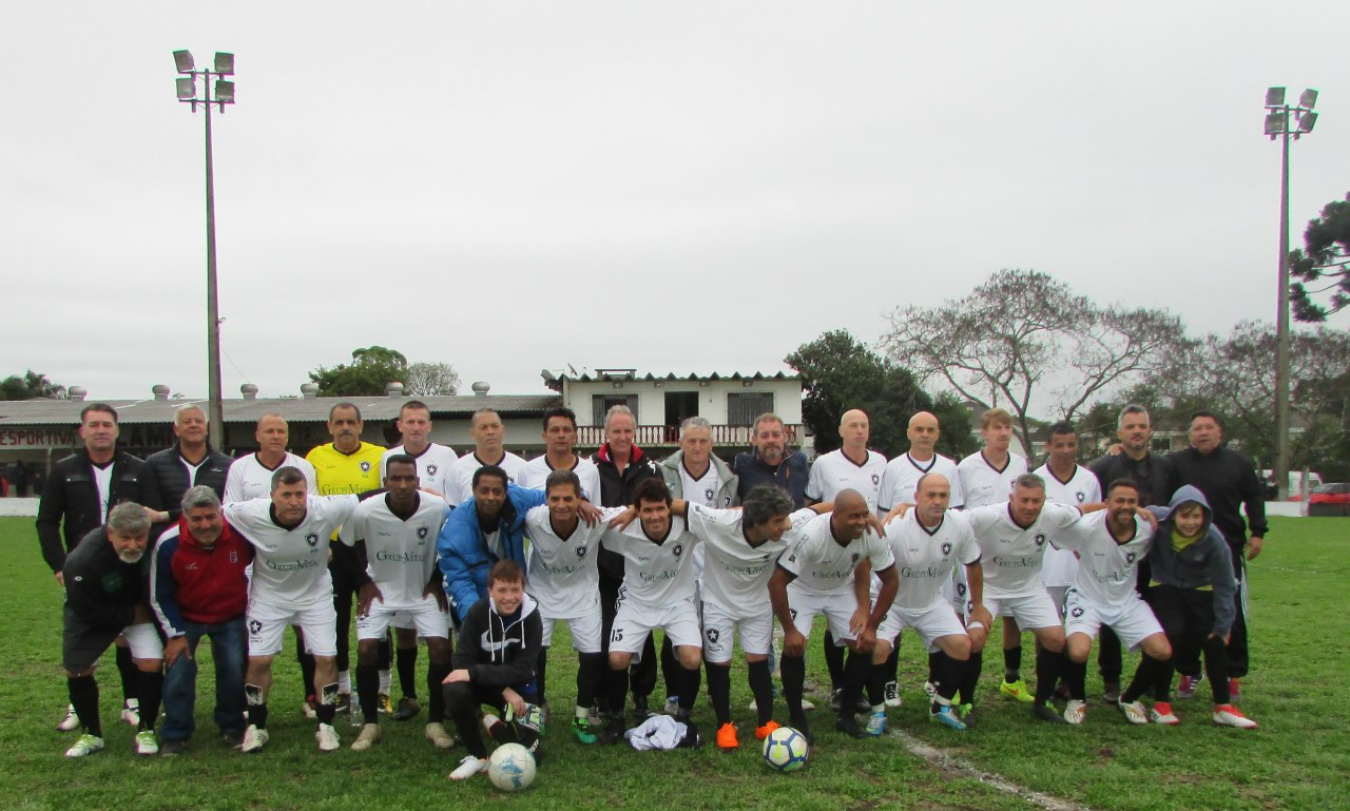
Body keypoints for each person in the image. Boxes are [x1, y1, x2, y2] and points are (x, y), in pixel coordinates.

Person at [38, 402, 162, 733]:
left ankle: (131, 700)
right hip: (85, 568)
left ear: (117, 430)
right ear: (83, 431)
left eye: (107, 424)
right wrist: (59, 564)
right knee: (83, 637)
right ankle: (77, 707)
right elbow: (47, 521)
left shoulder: (138, 468)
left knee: (128, 635)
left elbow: (154, 516)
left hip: (129, 564)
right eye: (94, 425)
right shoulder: (64, 470)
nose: (101, 430)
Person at [223, 466, 362, 753]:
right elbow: (211, 512)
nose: (294, 501)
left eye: (300, 494)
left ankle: (326, 725)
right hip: (269, 597)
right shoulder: (249, 512)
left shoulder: (323, 509)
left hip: (315, 596)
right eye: (286, 495)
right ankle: (257, 726)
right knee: (259, 661)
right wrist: (161, 517)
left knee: (326, 658)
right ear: (272, 495)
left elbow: (365, 496)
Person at [680, 486, 824, 749]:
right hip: (717, 601)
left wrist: (872, 516)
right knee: (718, 663)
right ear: (756, 520)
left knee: (758, 661)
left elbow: (823, 507)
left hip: (757, 604)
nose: (785, 525)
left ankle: (765, 723)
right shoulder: (721, 522)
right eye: (778, 521)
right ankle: (724, 725)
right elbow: (677, 505)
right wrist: (632, 512)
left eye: (785, 518)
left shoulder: (789, 525)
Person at [338, 455, 456, 751]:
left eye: (409, 479)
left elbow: (453, 541)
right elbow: (344, 543)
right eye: (396, 479)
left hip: (423, 590)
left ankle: (435, 722)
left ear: (418, 481)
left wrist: (437, 577)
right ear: (385, 482)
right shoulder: (366, 510)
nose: (403, 485)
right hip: (381, 590)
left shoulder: (437, 508)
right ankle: (370, 725)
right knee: (366, 649)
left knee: (441, 647)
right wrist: (363, 582)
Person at [768, 490, 898, 742]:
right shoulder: (811, 535)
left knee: (863, 644)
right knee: (795, 647)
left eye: (864, 514)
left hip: (839, 587)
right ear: (835, 515)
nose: (861, 521)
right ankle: (797, 717)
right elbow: (777, 583)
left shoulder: (871, 533)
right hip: (802, 588)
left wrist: (870, 623)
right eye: (853, 516)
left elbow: (891, 581)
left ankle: (847, 715)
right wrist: (790, 630)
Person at [870, 473, 988, 733]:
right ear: (916, 498)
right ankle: (877, 712)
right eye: (931, 495)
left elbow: (973, 564)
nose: (937, 501)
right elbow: (868, 562)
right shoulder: (897, 526)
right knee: (877, 648)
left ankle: (942, 705)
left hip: (931, 601)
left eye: (943, 495)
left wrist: (978, 606)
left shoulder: (959, 524)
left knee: (962, 646)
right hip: (893, 603)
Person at [1131, 485, 1256, 728]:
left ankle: (1223, 706)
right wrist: (1141, 511)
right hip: (1165, 586)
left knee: (1214, 641)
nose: (1190, 522)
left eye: (1196, 516)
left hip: (1201, 590)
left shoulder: (1213, 539)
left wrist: (1223, 625)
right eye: (1184, 516)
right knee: (1172, 638)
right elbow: (1131, 510)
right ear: (1174, 514)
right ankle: (1161, 703)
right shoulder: (1159, 519)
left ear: (1205, 516)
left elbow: (1225, 584)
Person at [962, 473, 1082, 724]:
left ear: (1044, 500)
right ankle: (966, 702)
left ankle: (1043, 701)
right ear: (1011, 498)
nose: (1029, 507)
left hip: (1029, 589)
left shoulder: (1053, 514)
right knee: (974, 639)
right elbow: (949, 519)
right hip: (989, 588)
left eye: (1035, 501)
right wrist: (905, 508)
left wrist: (1129, 508)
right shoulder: (987, 516)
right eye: (1023, 500)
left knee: (1056, 639)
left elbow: (1082, 511)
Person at [1165, 411, 1267, 703]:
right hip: (1187, 553)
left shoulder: (1238, 463)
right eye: (1197, 428)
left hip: (1229, 551)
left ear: (1219, 432)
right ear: (1190, 435)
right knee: (1186, 616)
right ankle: (1188, 671)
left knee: (1231, 616)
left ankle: (1232, 676)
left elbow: (1254, 497)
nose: (1203, 433)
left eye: (1208, 427)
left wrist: (1258, 531)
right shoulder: (1176, 464)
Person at [598, 478, 707, 744]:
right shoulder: (622, 527)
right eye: (646, 510)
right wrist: (630, 511)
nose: (655, 516)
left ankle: (683, 718)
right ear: (637, 510)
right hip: (636, 601)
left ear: (670, 507)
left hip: (678, 601)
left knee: (692, 658)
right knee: (617, 660)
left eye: (660, 508)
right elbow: (588, 515)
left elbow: (724, 516)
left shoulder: (688, 525)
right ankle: (616, 719)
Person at [1054, 480, 1170, 725]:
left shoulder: (1147, 529)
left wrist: (1141, 511)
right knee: (1078, 651)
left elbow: (1174, 515)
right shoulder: (1086, 528)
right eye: (1119, 501)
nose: (1126, 507)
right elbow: (1057, 530)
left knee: (1162, 651)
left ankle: (1128, 699)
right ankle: (1076, 698)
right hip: (1086, 598)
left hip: (1126, 601)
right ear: (1107, 503)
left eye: (1131, 502)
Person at [306, 403, 396, 718]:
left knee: (377, 618)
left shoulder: (379, 454)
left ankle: (383, 691)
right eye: (339, 422)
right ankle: (343, 690)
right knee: (337, 620)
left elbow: (387, 494)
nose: (345, 427)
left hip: (368, 548)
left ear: (360, 425)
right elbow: (313, 504)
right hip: (332, 551)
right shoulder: (316, 457)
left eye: (351, 422)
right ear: (329, 426)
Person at [150, 486, 253, 755]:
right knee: (179, 669)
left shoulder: (241, 535)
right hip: (186, 618)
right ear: (185, 517)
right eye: (197, 519)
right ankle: (176, 732)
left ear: (220, 513)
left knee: (232, 667)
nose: (205, 524)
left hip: (230, 615)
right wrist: (175, 634)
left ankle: (232, 726)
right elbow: (158, 594)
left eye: (211, 517)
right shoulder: (168, 543)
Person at [522, 469, 622, 743]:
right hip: (541, 593)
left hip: (583, 594)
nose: (562, 505)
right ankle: (537, 708)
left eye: (569, 498)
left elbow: (633, 511)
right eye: (555, 499)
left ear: (580, 498)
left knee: (591, 657)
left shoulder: (594, 518)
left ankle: (581, 717)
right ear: (546, 499)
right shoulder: (533, 519)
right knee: (534, 655)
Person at [60, 502, 166, 757]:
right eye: (125, 538)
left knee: (151, 662)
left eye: (139, 537)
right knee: (78, 669)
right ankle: (91, 734)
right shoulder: (81, 561)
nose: (133, 545)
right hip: (93, 612)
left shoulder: (157, 543)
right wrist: (130, 615)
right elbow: (85, 608)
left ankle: (146, 729)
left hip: (137, 608)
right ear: (110, 533)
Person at [876, 410, 965, 708]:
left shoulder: (951, 468)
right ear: (909, 432)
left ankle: (935, 680)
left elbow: (958, 515)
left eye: (930, 429)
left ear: (938, 433)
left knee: (941, 624)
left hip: (937, 560)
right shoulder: (894, 467)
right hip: (903, 555)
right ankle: (890, 683)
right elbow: (885, 513)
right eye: (919, 429)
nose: (925, 434)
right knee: (892, 628)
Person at [805, 409, 888, 713]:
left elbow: (885, 506)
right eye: (853, 425)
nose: (859, 430)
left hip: (867, 547)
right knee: (834, 621)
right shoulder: (825, 463)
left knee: (860, 617)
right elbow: (811, 503)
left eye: (864, 425)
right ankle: (839, 683)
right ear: (841, 430)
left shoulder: (881, 462)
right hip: (831, 548)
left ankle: (866, 686)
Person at [655, 415, 738, 713]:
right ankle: (675, 693)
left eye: (703, 441)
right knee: (676, 629)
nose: (697, 446)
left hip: (714, 563)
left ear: (711, 443)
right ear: (681, 443)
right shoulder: (664, 471)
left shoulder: (727, 476)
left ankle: (714, 692)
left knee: (711, 627)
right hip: (677, 562)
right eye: (691, 441)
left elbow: (732, 518)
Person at [1089, 404, 1171, 701]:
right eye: (1130, 426)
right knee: (1110, 615)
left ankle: (1149, 678)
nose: (1137, 431)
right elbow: (1092, 508)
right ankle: (1111, 679)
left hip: (1153, 555)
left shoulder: (1165, 466)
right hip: (1113, 556)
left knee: (1152, 615)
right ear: (1119, 432)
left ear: (1150, 431)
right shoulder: (1103, 467)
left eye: (1142, 426)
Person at [443, 560, 544, 781]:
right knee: (454, 688)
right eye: (502, 590)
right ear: (490, 591)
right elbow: (461, 660)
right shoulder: (478, 612)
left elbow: (525, 668)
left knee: (533, 754)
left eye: (515, 589)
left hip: (520, 686)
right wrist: (502, 689)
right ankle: (478, 755)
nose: (509, 597)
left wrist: (503, 685)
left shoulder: (532, 616)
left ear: (523, 588)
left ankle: (500, 729)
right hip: (489, 685)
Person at [957, 408, 1031, 704]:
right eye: (997, 428)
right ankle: (962, 689)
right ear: (984, 432)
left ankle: (1012, 679)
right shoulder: (967, 467)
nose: (1003, 433)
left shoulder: (1021, 465)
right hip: (977, 557)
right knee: (974, 621)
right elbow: (960, 510)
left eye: (1007, 428)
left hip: (1013, 554)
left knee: (1012, 619)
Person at [592, 405, 662, 721]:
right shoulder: (591, 467)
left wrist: (634, 509)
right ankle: (606, 696)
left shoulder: (650, 468)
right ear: (606, 433)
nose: (622, 436)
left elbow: (659, 505)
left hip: (640, 564)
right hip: (604, 565)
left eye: (627, 431)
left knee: (643, 630)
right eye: (616, 431)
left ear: (635, 432)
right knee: (608, 630)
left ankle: (641, 693)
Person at [437, 465, 555, 616]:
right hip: (478, 595)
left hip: (514, 593)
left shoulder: (516, 498)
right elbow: (460, 584)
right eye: (484, 491)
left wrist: (582, 500)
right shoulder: (454, 532)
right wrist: (476, 618)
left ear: (506, 492)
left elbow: (552, 495)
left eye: (497, 491)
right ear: (474, 490)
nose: (491, 497)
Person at [145, 405, 233, 525]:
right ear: (176, 429)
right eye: (187, 422)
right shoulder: (155, 464)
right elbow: (152, 513)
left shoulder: (228, 466)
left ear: (207, 428)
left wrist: (166, 515)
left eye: (199, 421)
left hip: (214, 538)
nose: (193, 425)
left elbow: (229, 510)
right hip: (171, 539)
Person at [222, 413, 317, 503]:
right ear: (258, 436)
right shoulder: (239, 467)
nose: (276, 436)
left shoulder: (303, 467)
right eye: (270, 431)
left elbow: (311, 506)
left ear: (287, 437)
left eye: (281, 432)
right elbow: (232, 509)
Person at [517, 406, 602, 502]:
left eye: (566, 430)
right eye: (555, 430)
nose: (561, 435)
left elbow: (595, 513)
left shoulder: (590, 470)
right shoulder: (527, 471)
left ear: (575, 436)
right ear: (544, 436)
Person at [445, 409, 527, 507]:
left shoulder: (522, 467)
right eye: (483, 427)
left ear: (503, 430)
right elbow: (453, 512)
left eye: (495, 426)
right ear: (472, 434)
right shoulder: (456, 470)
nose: (490, 432)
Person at [380, 400, 459, 498]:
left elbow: (455, 498)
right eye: (410, 422)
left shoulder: (447, 455)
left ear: (429, 426)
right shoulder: (388, 456)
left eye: (421, 422)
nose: (416, 428)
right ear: (399, 426)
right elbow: (385, 496)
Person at [734, 412, 809, 508]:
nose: (771, 440)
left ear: (785, 437)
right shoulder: (743, 466)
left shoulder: (799, 462)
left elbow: (809, 500)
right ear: (754, 440)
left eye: (776, 435)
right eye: (764, 436)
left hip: (794, 522)